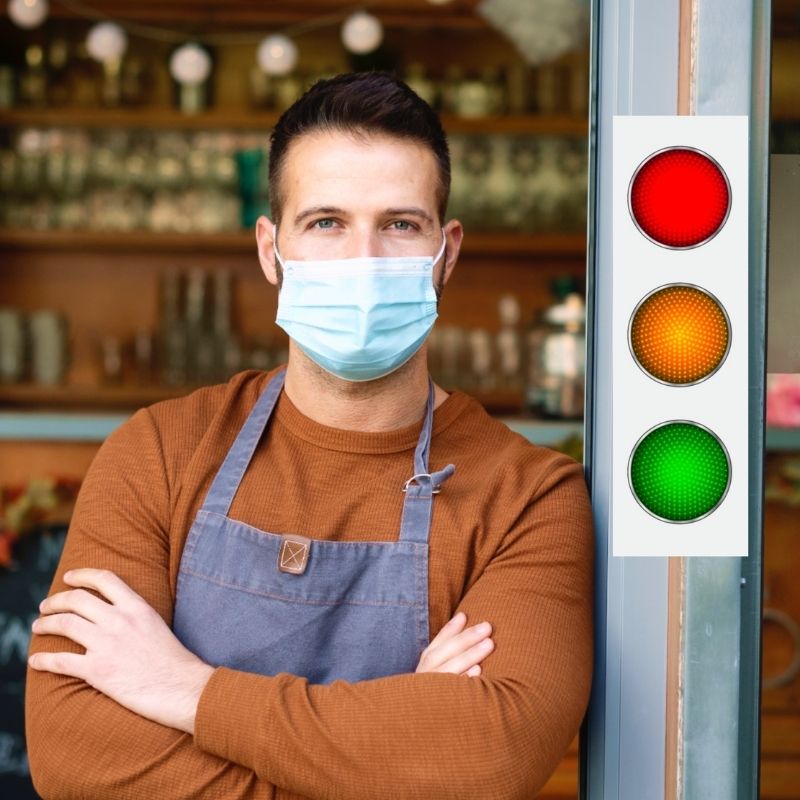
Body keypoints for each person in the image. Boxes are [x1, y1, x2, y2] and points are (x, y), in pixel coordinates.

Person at [25, 72, 594, 799]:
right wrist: (393, 749)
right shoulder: (158, 453)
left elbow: (488, 757)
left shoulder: (530, 498)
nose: (364, 257)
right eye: (326, 222)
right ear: (271, 251)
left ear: (445, 254)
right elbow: (75, 755)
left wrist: (188, 692)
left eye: (399, 224)